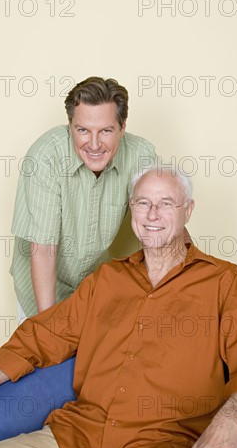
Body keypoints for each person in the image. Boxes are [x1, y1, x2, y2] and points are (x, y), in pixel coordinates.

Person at [0, 165, 237, 448]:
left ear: (188, 210)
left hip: (159, 445)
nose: (152, 215)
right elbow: (40, 337)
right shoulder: (107, 279)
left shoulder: (224, 281)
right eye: (143, 203)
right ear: (132, 210)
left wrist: (229, 423)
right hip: (76, 436)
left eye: (165, 203)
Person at [10, 76, 156, 318]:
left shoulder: (141, 155)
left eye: (106, 130)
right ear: (70, 126)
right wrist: (48, 329)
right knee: (48, 352)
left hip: (92, 290)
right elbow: (43, 250)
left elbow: (162, 222)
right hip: (41, 289)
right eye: (83, 130)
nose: (95, 144)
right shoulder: (45, 157)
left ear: (122, 127)